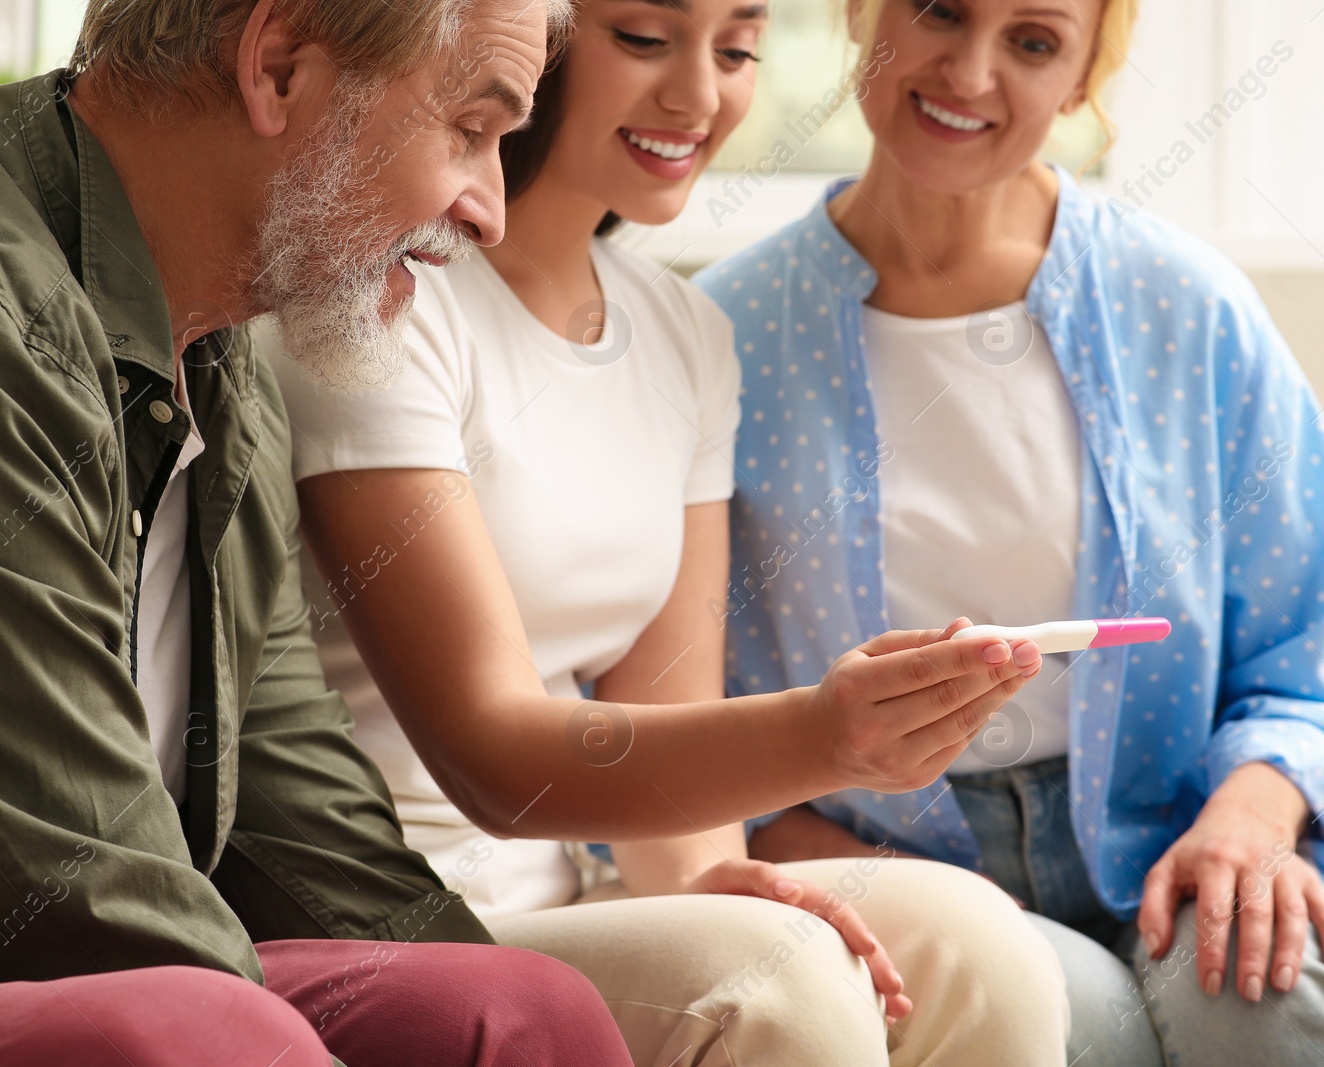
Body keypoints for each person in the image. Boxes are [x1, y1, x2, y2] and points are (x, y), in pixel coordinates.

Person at [264, 0, 1071, 1063]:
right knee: (779, 995)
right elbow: (496, 753)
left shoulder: (686, 334)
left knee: (979, 947)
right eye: (644, 38)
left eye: (736, 51)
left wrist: (706, 878)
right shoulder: (387, 300)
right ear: (530, 40)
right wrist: (827, 735)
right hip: (403, 909)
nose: (698, 95)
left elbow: (663, 715)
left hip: (570, 888)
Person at [695, 0, 1324, 1064]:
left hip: (1178, 836)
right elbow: (670, 709)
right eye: (938, 12)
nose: (969, 73)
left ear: (1079, 82)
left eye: (1032, 42)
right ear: (860, 15)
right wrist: (803, 848)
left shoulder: (1187, 306)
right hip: (882, 862)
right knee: (1082, 1026)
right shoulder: (727, 332)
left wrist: (1249, 819)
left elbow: (1322, 661)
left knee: (1275, 1000)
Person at [0, 0, 634, 1062]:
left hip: (122, 978)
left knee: (520, 1010)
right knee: (206, 1024)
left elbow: (321, 849)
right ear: (282, 66)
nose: (490, 212)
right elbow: (83, 878)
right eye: (470, 131)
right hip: (78, 970)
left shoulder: (226, 371)